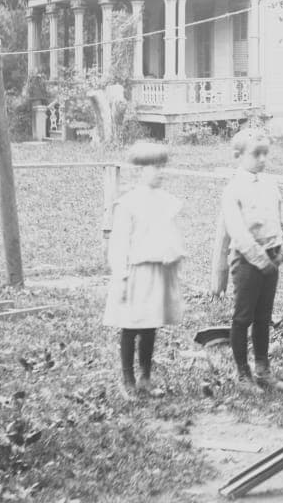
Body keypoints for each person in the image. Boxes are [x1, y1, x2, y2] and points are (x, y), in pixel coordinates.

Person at [212, 128, 283, 392]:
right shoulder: (233, 190)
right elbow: (238, 231)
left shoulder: (270, 184)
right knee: (243, 316)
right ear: (238, 155)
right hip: (247, 261)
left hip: (273, 256)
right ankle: (242, 373)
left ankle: (262, 369)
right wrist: (260, 260)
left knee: (264, 315)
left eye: (265, 154)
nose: (262, 159)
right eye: (256, 154)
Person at [102, 141, 185, 400]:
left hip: (157, 271)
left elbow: (169, 236)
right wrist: (122, 276)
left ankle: (145, 377)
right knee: (131, 325)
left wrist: (174, 258)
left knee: (150, 325)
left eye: (163, 167)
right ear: (139, 171)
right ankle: (127, 379)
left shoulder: (165, 202)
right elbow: (119, 244)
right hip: (135, 272)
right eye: (155, 167)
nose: (161, 172)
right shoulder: (128, 204)